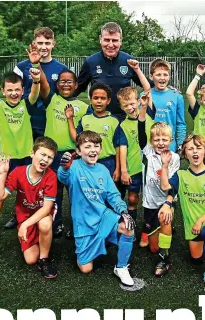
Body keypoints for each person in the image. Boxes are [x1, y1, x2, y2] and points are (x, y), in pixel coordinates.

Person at [57, 131, 136, 286]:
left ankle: (121, 267)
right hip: (83, 222)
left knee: (127, 227)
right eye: (87, 146)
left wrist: (123, 211)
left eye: (96, 146)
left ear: (100, 149)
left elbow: (113, 195)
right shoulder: (73, 167)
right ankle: (94, 243)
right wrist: (64, 168)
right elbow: (63, 177)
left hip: (103, 216)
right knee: (86, 269)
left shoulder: (102, 170)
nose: (93, 150)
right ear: (78, 151)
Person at [0, 64, 41, 245]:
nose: (13, 93)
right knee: (0, 195)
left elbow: (35, 93)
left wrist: (36, 79)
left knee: (26, 192)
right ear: (3, 91)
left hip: (27, 158)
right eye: (9, 90)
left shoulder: (27, 104)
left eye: (17, 90)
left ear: (22, 90)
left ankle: (18, 218)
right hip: (8, 160)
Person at [160, 134, 205, 283]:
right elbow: (165, 186)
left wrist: (201, 221)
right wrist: (164, 166)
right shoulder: (181, 175)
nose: (195, 152)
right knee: (196, 259)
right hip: (192, 223)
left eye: (199, 148)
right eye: (190, 149)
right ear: (185, 153)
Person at [0, 137, 59, 279]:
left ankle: (45, 260)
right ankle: (37, 239)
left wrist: (25, 226)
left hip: (41, 214)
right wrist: (2, 174)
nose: (46, 160)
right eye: (43, 154)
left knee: (45, 223)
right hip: (25, 216)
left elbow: (46, 209)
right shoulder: (18, 172)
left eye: (50, 157)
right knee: (30, 259)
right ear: (32, 153)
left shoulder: (51, 176)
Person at [39, 69, 88, 237]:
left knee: (75, 191)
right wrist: (37, 63)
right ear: (57, 85)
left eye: (69, 81)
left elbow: (84, 133)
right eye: (62, 81)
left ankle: (77, 225)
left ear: (76, 85)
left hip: (72, 155)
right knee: (54, 190)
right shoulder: (52, 99)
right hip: (52, 155)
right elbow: (43, 83)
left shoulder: (83, 107)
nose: (66, 84)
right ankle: (56, 222)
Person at [136, 92, 180, 276]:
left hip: (167, 201)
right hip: (150, 201)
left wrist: (165, 164)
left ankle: (165, 259)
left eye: (164, 140)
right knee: (152, 247)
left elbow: (171, 185)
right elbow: (140, 129)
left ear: (170, 141)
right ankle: (162, 233)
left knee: (164, 219)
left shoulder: (175, 157)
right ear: (151, 141)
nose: (160, 143)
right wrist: (143, 107)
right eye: (157, 140)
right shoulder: (147, 152)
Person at [74, 22, 148, 120]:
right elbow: (79, 87)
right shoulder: (90, 62)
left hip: (123, 119)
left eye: (114, 40)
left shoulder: (129, 61)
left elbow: (146, 85)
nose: (110, 44)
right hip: (98, 118)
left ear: (121, 41)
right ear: (100, 39)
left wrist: (166, 88)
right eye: (106, 40)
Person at [14, 27, 68, 140]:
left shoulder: (62, 69)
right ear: (34, 43)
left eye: (47, 43)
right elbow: (14, 95)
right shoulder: (21, 67)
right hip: (26, 120)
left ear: (53, 44)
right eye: (40, 43)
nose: (43, 47)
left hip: (50, 122)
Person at [114, 86, 155, 230]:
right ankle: (130, 227)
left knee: (151, 198)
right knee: (132, 198)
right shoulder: (122, 126)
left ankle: (150, 228)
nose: (130, 107)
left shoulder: (148, 113)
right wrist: (124, 170)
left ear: (138, 101)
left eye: (132, 103)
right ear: (121, 107)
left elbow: (148, 88)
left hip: (152, 167)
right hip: (134, 168)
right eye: (125, 105)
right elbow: (122, 148)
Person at [72, 83, 120, 178]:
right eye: (95, 98)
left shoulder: (114, 121)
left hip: (107, 163)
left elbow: (118, 146)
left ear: (108, 101)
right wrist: (70, 120)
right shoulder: (85, 119)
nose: (99, 101)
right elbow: (77, 139)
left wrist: (118, 168)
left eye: (102, 98)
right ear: (90, 99)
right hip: (86, 161)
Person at [148, 59, 186, 152]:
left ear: (169, 76)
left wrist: (180, 144)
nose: (162, 78)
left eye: (165, 74)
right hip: (149, 146)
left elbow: (180, 123)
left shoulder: (177, 97)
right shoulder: (146, 96)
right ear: (151, 76)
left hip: (170, 146)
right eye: (158, 75)